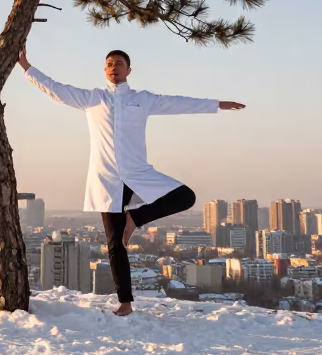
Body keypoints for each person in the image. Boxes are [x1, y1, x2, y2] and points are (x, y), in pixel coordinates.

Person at [19, 47, 245, 316]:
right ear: (104, 69)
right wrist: (26, 66)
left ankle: (135, 218)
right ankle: (124, 301)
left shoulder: (142, 99)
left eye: (119, 63)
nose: (114, 67)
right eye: (109, 64)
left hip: (139, 173)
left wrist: (217, 105)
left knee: (185, 197)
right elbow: (55, 88)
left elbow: (177, 102)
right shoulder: (92, 99)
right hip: (106, 178)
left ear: (129, 70)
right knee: (115, 244)